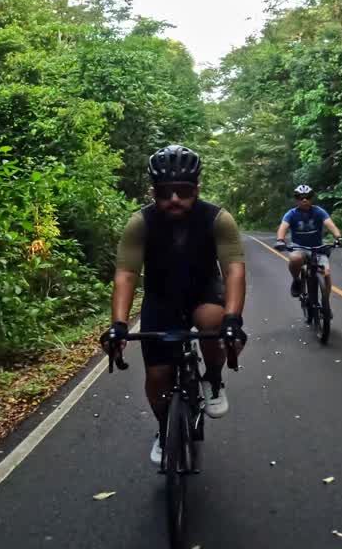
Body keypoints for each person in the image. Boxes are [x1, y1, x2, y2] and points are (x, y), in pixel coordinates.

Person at [100, 145, 247, 466]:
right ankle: (164, 427)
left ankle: (212, 378)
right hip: (161, 298)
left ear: (197, 189)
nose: (175, 199)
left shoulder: (217, 219)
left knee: (213, 320)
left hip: (203, 292)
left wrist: (233, 319)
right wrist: (119, 325)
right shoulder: (141, 223)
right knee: (157, 375)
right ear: (154, 192)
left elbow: (234, 269)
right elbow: (126, 274)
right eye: (166, 193)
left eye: (183, 191)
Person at [275, 185, 342, 310]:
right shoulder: (291, 214)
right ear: (296, 200)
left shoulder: (318, 211)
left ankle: (325, 304)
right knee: (295, 259)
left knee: (326, 274)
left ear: (311, 199)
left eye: (307, 197)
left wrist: (338, 237)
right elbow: (283, 227)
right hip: (299, 247)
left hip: (318, 247)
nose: (304, 200)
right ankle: (297, 280)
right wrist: (280, 240)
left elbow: (330, 224)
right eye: (301, 198)